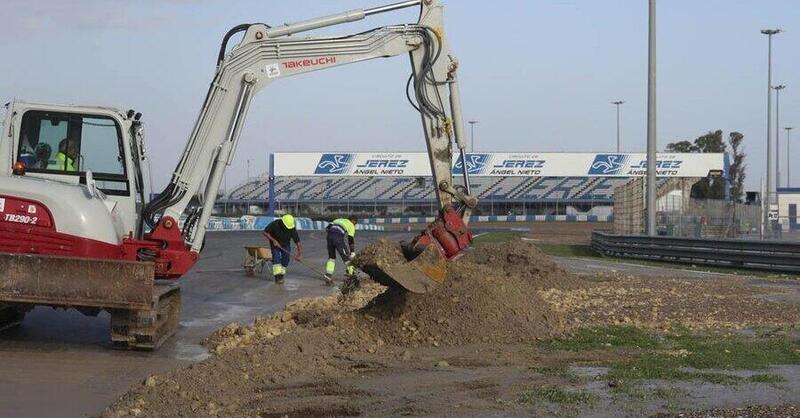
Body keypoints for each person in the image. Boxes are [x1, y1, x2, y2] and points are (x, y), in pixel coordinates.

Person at [262, 214, 303, 283]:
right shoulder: (275, 224)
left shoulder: (291, 228)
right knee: (276, 257)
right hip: (275, 243)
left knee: (286, 258)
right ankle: (278, 276)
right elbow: (265, 232)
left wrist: (300, 255)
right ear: (283, 223)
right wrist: (273, 240)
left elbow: (298, 242)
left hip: (286, 244)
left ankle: (282, 274)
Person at [324, 216, 358, 285]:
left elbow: (327, 228)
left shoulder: (337, 219)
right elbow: (350, 239)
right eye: (355, 223)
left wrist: (332, 234)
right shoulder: (351, 225)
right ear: (353, 220)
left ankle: (328, 275)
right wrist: (352, 252)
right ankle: (351, 276)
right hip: (338, 237)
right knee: (346, 257)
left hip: (329, 237)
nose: (355, 224)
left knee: (331, 257)